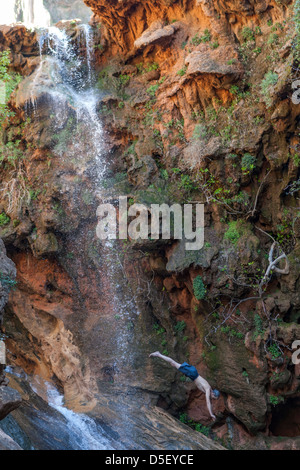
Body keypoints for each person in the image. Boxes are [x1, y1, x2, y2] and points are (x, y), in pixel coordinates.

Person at [149, 351, 219, 420]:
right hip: (192, 374)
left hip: (193, 374)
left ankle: (159, 355)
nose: (212, 398)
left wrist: (211, 412)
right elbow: (208, 402)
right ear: (213, 394)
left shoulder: (209, 390)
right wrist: (211, 414)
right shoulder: (207, 389)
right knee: (173, 363)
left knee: (173, 364)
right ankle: (158, 354)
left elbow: (210, 402)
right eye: (213, 397)